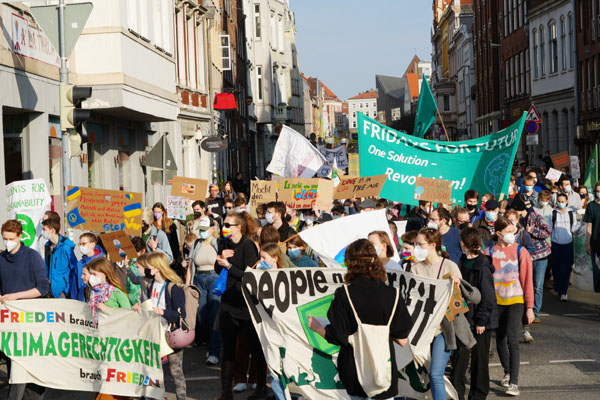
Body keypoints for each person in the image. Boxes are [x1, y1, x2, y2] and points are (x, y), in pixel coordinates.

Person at [307, 239, 412, 400]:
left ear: (349, 263)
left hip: (354, 370)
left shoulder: (344, 294)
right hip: (383, 371)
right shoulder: (393, 294)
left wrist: (317, 327)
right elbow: (403, 340)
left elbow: (338, 336)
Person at [214, 212, 266, 400]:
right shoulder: (225, 244)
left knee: (254, 348)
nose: (224, 227)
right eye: (223, 223)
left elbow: (249, 275)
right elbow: (217, 268)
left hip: (245, 306)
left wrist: (228, 266)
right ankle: (225, 392)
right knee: (228, 349)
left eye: (228, 224)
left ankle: (261, 387)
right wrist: (220, 259)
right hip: (228, 303)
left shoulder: (248, 246)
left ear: (239, 227)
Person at [0, 220, 50, 400]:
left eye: (11, 238)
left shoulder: (32, 257)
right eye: (4, 238)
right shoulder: (2, 258)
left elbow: (42, 288)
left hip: (30, 320)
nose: (7, 242)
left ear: (20, 236)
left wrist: (16, 296)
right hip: (9, 321)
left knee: (27, 367)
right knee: (13, 364)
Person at [410, 228, 462, 400]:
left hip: (442, 328)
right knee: (417, 373)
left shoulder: (449, 266)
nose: (417, 247)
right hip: (421, 328)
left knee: (435, 374)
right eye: (416, 244)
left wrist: (455, 287)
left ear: (433, 245)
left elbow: (458, 304)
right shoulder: (415, 268)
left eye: (420, 244)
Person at [485, 217, 534, 396]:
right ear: (498, 234)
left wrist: (530, 307)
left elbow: (528, 281)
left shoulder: (521, 252)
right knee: (499, 340)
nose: (512, 234)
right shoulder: (488, 252)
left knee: (512, 339)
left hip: (515, 301)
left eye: (513, 231)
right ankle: (507, 370)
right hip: (496, 303)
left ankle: (514, 382)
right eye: (508, 232)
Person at [450, 228, 497, 400]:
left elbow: (489, 298)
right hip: (464, 318)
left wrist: (481, 321)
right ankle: (457, 393)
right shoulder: (463, 260)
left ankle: (478, 394)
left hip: (479, 321)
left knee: (479, 360)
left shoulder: (482, 267)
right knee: (459, 359)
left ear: (465, 243)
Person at [144, 252, 188, 400]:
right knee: (153, 370)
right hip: (155, 333)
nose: (146, 269)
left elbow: (180, 315)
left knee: (176, 372)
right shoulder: (151, 285)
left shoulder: (173, 287)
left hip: (171, 334)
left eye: (148, 266)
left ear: (157, 268)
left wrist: (162, 312)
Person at [509, 196, 551, 323]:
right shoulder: (520, 220)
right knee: (527, 283)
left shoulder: (536, 217)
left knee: (538, 285)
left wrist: (532, 230)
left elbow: (547, 231)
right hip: (526, 257)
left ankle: (536, 312)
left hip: (541, 256)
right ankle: (527, 309)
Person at [187, 216, 221, 365]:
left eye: (205, 230)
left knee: (214, 315)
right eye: (200, 230)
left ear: (212, 230)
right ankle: (208, 342)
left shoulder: (217, 244)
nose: (202, 233)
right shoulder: (196, 244)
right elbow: (190, 265)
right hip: (199, 279)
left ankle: (214, 352)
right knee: (201, 315)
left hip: (214, 278)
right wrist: (188, 284)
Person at [41, 217, 78, 298]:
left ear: (53, 230)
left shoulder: (66, 247)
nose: (42, 232)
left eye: (44, 229)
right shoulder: (47, 246)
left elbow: (74, 270)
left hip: (62, 292)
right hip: (49, 291)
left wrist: (66, 289)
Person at [551, 193, 578, 301]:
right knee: (556, 268)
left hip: (568, 245)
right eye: (559, 201)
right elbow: (549, 228)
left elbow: (574, 228)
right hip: (556, 245)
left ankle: (564, 292)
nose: (561, 203)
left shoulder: (571, 214)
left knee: (566, 269)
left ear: (567, 202)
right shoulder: (553, 214)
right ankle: (558, 286)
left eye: (563, 201)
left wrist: (581, 224)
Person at [73, 232, 105, 301]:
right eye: (80, 244)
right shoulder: (79, 264)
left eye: (84, 244)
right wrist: (73, 300)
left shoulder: (101, 261)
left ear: (92, 245)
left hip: (97, 300)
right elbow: (75, 286)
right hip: (81, 300)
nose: (81, 246)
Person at [153, 201, 182, 268]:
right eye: (155, 212)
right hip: (155, 256)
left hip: (168, 255)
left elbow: (175, 242)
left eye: (158, 212)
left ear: (163, 212)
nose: (156, 214)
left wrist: (175, 257)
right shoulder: (152, 224)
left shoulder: (169, 224)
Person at [584, 182, 600, 293]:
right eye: (598, 191)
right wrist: (588, 244)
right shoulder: (591, 206)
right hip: (595, 243)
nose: (599, 193)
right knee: (597, 271)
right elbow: (589, 226)